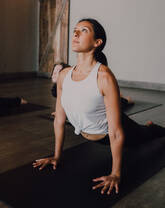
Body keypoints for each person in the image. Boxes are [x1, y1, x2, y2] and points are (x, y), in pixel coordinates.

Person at [33, 18, 165, 195]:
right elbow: (59, 119)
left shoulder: (104, 77)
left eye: (84, 30)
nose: (76, 33)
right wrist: (57, 156)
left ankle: (153, 128)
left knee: (145, 136)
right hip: (92, 133)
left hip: (114, 132)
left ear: (97, 42)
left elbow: (117, 132)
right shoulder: (64, 75)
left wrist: (115, 174)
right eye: (75, 30)